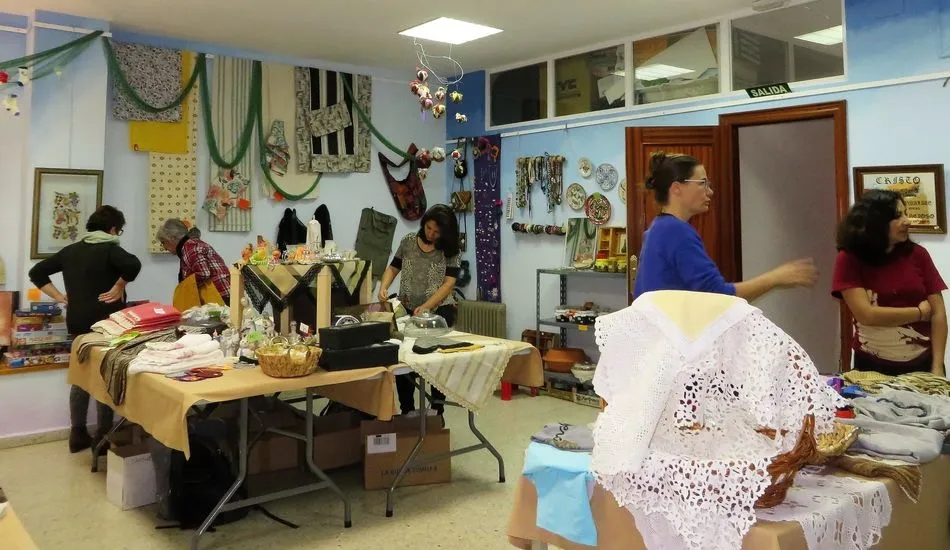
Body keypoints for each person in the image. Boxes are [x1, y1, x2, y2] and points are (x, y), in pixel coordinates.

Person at [28, 205, 141, 453]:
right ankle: (103, 435)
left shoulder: (71, 251)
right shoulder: (110, 249)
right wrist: (120, 285)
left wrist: (60, 296)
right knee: (105, 378)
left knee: (80, 378)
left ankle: (77, 434)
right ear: (113, 229)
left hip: (78, 324)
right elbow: (133, 265)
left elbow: (36, 272)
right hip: (107, 326)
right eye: (119, 230)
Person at [633, 151, 817, 300]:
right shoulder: (676, 231)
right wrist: (775, 277)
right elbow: (719, 296)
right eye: (703, 183)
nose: (710, 191)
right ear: (676, 188)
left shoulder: (657, 229)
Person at [832, 189, 946, 376]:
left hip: (923, 364)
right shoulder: (849, 259)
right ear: (876, 223)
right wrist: (919, 313)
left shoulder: (918, 254)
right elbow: (867, 315)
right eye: (898, 216)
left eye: (906, 213)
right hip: (872, 366)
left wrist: (938, 366)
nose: (907, 221)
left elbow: (938, 314)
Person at [378, 204, 461, 415]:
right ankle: (407, 411)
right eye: (428, 228)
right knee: (403, 359)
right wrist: (384, 287)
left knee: (436, 362)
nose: (431, 234)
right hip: (407, 309)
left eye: (437, 232)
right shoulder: (408, 242)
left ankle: (437, 411)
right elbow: (393, 268)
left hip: (439, 311)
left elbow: (449, 283)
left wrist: (426, 306)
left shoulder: (450, 250)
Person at [155, 219, 231, 305]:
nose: (164, 247)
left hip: (220, 298)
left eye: (163, 242)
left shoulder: (190, 247)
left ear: (172, 238)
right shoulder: (192, 245)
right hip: (222, 295)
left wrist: (185, 288)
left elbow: (203, 273)